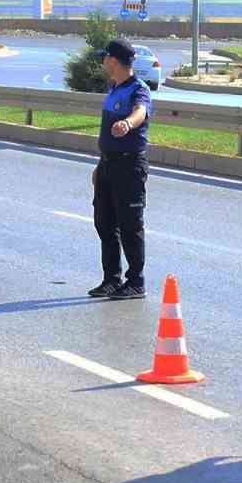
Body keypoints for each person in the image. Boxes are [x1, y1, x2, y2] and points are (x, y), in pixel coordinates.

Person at [87, 38, 152, 301]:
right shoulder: (113, 87)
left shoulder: (139, 89)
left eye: (104, 57)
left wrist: (128, 124)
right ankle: (111, 279)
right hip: (108, 164)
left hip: (129, 165)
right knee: (104, 222)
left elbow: (141, 112)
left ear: (113, 60)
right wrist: (99, 164)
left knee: (129, 224)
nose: (102, 61)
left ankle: (136, 281)